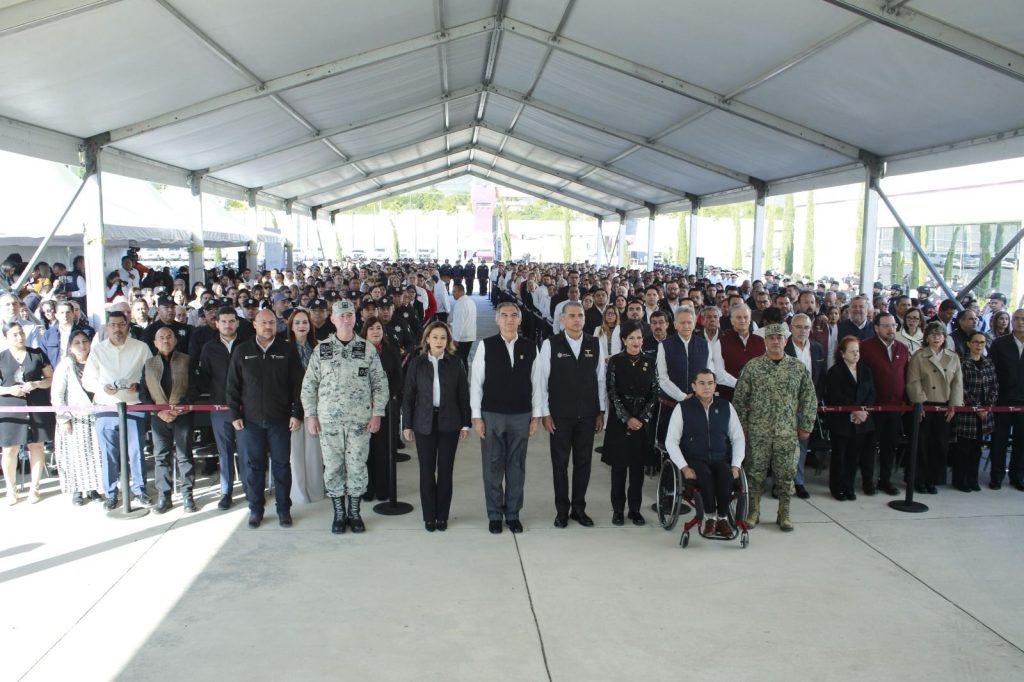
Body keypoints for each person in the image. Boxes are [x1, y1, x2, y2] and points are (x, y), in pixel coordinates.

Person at [301, 300, 387, 534]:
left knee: (357, 466)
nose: (346, 319)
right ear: (333, 319)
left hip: (360, 421)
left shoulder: (367, 349)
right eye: (342, 315)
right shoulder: (322, 349)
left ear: (355, 318)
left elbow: (380, 384)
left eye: (349, 315)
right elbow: (309, 385)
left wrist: (377, 413)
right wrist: (310, 415)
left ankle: (355, 512)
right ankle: (339, 513)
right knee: (333, 467)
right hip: (329, 422)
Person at [733, 323, 817, 532]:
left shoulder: (797, 368)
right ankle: (753, 512)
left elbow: (809, 398)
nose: (775, 341)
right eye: (771, 338)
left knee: (786, 475)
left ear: (786, 341)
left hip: (787, 433)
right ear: (765, 341)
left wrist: (806, 425)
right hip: (758, 433)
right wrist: (742, 428)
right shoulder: (753, 367)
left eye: (779, 338)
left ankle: (784, 514)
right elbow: (740, 399)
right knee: (755, 474)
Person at [226, 309, 304, 529]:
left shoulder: (287, 350)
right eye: (263, 323)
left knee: (282, 466)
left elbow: (298, 385)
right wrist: (234, 414)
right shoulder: (242, 351)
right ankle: (256, 510)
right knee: (255, 467)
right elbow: (232, 386)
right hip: (251, 421)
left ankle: (283, 510)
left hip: (281, 420)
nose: (268, 326)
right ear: (254, 325)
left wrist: (296, 413)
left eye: (271, 322)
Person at [470, 302, 543, 534]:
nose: (509, 319)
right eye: (504, 315)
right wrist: (476, 416)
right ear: (497, 319)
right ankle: (494, 514)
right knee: (492, 465)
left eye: (514, 315)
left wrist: (536, 415)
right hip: (492, 414)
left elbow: (537, 383)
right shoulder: (486, 346)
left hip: (521, 415)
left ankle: (512, 514)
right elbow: (476, 382)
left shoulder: (530, 347)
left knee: (516, 466)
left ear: (520, 320)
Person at [538, 301, 606, 528]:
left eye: (581, 316)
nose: (577, 320)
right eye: (572, 316)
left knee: (583, 462)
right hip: (560, 415)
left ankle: (579, 508)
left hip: (587, 415)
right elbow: (542, 381)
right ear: (562, 319)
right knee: (560, 464)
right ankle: (562, 511)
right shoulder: (550, 344)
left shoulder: (594, 343)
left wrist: (600, 411)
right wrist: (545, 413)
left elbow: (600, 380)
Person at [401, 321, 471, 531]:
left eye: (443, 337)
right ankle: (429, 516)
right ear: (427, 340)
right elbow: (408, 396)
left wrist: (465, 424)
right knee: (426, 471)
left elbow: (463, 395)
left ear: (448, 341)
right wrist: (407, 425)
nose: (439, 341)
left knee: (446, 471)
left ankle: (443, 516)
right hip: (423, 423)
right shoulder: (417, 363)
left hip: (450, 422)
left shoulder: (456, 363)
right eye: (435, 337)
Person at [82, 311, 154, 509]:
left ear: (127, 325)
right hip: (106, 406)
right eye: (113, 325)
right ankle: (111, 493)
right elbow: (87, 380)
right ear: (107, 327)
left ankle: (139, 490)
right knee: (109, 453)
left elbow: (152, 373)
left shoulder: (141, 347)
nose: (117, 329)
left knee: (136, 451)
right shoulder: (98, 350)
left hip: (134, 405)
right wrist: (102, 388)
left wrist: (139, 386)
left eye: (121, 324)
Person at [665, 368, 745, 537]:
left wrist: (736, 465)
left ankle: (722, 519)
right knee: (705, 476)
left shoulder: (726, 406)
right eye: (702, 383)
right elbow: (671, 441)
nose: (707, 387)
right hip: (694, 459)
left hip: (720, 457)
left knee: (725, 475)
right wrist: (684, 467)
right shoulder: (683, 408)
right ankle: (710, 518)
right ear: (694, 386)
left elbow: (738, 438)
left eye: (710, 383)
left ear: (715, 386)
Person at [602, 322, 659, 525]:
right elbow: (611, 392)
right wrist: (627, 418)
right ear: (624, 340)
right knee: (618, 468)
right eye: (632, 338)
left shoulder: (650, 362)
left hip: (642, 423)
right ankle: (618, 510)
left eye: (639, 338)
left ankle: (635, 510)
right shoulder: (615, 362)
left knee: (637, 469)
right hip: (620, 421)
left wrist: (642, 418)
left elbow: (655, 393)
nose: (636, 342)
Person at [138, 326, 197, 514]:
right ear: (155, 343)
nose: (165, 340)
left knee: (184, 456)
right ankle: (164, 497)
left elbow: (195, 388)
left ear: (175, 340)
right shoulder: (148, 364)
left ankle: (188, 496)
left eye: (169, 337)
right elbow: (143, 394)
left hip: (182, 416)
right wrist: (159, 412)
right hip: (159, 418)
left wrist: (180, 408)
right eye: (161, 338)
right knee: (161, 457)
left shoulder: (187, 360)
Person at [197, 306, 247, 509]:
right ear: (216, 323)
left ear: (237, 322)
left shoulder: (247, 344)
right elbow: (205, 378)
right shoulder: (209, 348)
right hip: (220, 408)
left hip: (245, 407)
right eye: (224, 321)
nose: (228, 325)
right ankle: (226, 492)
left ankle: (249, 488)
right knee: (224, 451)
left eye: (231, 321)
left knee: (245, 450)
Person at [906, 322, 963, 494]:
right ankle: (919, 479)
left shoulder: (953, 357)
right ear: (926, 337)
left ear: (945, 338)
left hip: (944, 406)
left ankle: (933, 479)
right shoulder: (919, 356)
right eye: (932, 334)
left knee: (939, 444)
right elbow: (913, 381)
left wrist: (954, 405)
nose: (936, 337)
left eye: (940, 334)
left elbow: (957, 383)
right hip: (925, 405)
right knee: (921, 444)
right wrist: (919, 403)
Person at [0, 323, 54, 504]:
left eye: (21, 333)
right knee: (10, 449)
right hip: (10, 407)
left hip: (36, 405)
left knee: (36, 446)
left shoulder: (37, 354)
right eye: (15, 335)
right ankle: (11, 489)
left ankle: (35, 488)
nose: (20, 337)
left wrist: (36, 384)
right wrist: (10, 390)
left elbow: (50, 379)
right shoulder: (1, 358)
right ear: (6, 337)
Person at [858, 312, 909, 496]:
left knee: (889, 446)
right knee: (869, 446)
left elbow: (905, 375)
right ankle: (867, 481)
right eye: (886, 326)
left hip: (895, 407)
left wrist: (905, 400)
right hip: (873, 407)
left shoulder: (902, 348)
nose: (891, 329)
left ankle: (885, 480)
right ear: (876, 328)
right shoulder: (865, 347)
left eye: (893, 325)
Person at [51, 329, 104, 505]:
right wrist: (63, 418)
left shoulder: (96, 361)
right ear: (70, 347)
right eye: (77, 343)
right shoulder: (65, 365)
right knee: (74, 457)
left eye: (85, 341)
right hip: (73, 419)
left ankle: (93, 489)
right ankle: (77, 491)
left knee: (93, 455)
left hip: (94, 417)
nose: (82, 345)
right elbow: (57, 395)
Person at [824, 337, 876, 501]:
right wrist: (854, 410)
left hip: (862, 421)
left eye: (857, 351)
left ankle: (849, 487)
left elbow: (871, 393)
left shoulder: (865, 370)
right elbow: (835, 395)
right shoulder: (835, 372)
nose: (856, 354)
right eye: (852, 351)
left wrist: (863, 412)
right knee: (840, 456)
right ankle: (837, 488)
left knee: (854, 457)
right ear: (842, 353)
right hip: (841, 421)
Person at [360, 316, 402, 502]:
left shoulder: (391, 350)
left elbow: (397, 378)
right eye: (371, 328)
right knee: (365, 449)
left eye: (378, 328)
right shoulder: (358, 351)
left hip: (385, 408)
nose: (375, 331)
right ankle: (368, 488)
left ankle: (383, 488)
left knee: (383, 448)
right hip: (363, 408)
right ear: (365, 332)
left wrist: (382, 398)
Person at [285, 308, 325, 505]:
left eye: (305, 322)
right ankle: (299, 493)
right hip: (293, 409)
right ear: (291, 327)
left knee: (314, 452)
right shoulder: (284, 350)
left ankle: (316, 491)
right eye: (297, 322)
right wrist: (294, 411)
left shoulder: (318, 347)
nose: (302, 326)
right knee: (296, 453)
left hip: (316, 407)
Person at [656, 307, 711, 443]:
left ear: (694, 323)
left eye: (689, 322)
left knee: (695, 444)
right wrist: (683, 397)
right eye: (682, 322)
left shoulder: (705, 345)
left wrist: (700, 394)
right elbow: (662, 379)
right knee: (670, 443)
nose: (686, 326)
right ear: (675, 324)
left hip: (698, 405)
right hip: (671, 405)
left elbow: (709, 375)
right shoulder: (664, 345)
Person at [785, 313, 826, 499]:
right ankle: (781, 483)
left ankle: (798, 482)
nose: (803, 331)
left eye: (806, 327)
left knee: (802, 445)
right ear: (791, 328)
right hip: (786, 407)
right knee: (782, 446)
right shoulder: (782, 347)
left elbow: (821, 378)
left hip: (808, 406)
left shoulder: (817, 348)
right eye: (799, 327)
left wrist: (813, 401)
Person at [954, 331, 997, 492]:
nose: (979, 345)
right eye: (976, 342)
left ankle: (973, 479)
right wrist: (977, 406)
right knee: (963, 449)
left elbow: (994, 386)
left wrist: (987, 406)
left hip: (984, 414)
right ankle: (960, 480)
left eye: (982, 342)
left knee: (977, 449)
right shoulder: (962, 363)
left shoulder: (988, 363)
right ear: (969, 344)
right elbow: (961, 388)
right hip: (967, 414)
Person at [986, 309, 1024, 490]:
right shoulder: (1000, 343)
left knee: (1021, 441)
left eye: (1023, 319)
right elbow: (991, 371)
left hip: (1023, 403)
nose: (1020, 322)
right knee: (999, 440)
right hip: (1002, 400)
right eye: (1016, 318)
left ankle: (1018, 476)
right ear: (1012, 321)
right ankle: (997, 476)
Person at [715, 303, 764, 400]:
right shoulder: (721, 342)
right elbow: (719, 373)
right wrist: (740, 385)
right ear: (732, 321)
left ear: (750, 320)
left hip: (757, 397)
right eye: (739, 317)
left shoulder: (761, 341)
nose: (743, 320)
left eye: (746, 317)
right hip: (731, 396)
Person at [449, 282, 476, 367]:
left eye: (454, 291)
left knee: (457, 361)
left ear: (461, 292)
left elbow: (459, 322)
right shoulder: (470, 301)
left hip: (462, 338)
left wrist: (455, 338)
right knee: (463, 360)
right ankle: (464, 375)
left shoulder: (460, 304)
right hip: (470, 336)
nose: (452, 293)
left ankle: (460, 376)